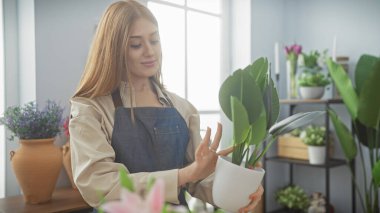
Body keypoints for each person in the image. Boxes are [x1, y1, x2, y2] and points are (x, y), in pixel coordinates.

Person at [69, 1, 263, 212]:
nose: (150, 51)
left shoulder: (183, 108)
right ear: (114, 50)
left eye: (155, 40)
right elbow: (100, 184)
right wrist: (185, 174)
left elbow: (199, 180)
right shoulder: (90, 109)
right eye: (136, 44)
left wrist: (241, 188)